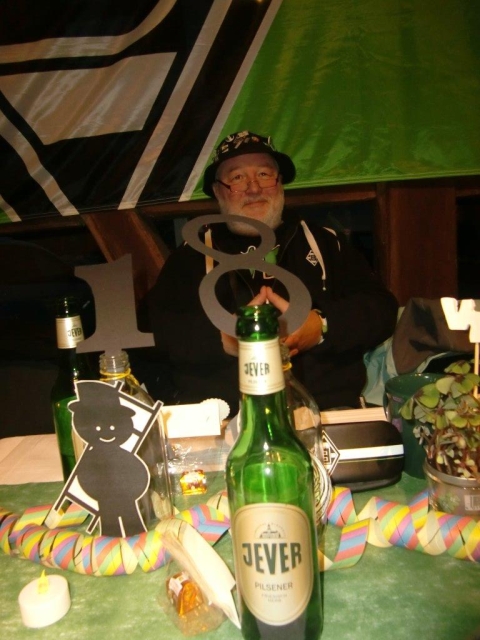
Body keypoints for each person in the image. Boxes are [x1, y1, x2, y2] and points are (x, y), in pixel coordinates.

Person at [140, 130, 398, 413]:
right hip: (223, 418)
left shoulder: (325, 243)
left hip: (328, 413)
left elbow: (382, 311)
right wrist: (224, 338)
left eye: (264, 174)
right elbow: (157, 332)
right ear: (218, 191)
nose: (253, 188)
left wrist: (321, 326)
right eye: (237, 178)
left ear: (280, 183)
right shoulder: (190, 257)